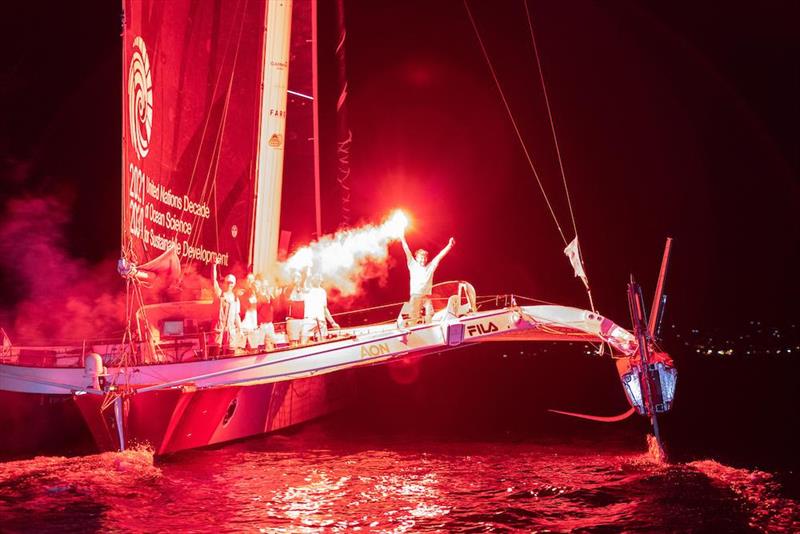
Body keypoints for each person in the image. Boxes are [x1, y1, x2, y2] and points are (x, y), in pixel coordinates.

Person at [400, 233, 455, 323]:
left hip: (426, 297)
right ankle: (413, 330)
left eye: (425, 258)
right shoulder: (412, 264)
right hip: (415, 296)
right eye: (421, 258)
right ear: (416, 258)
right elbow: (406, 249)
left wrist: (449, 246)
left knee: (430, 315)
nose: (423, 260)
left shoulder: (430, 267)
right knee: (414, 318)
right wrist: (402, 237)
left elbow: (440, 256)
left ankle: (429, 330)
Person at [212, 263, 242, 355]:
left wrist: (240, 329)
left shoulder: (236, 298)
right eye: (228, 282)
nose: (229, 284)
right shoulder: (219, 294)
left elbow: (237, 316)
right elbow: (214, 281)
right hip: (219, 329)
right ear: (224, 282)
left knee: (230, 354)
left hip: (231, 330)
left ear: (234, 284)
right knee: (215, 354)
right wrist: (214, 266)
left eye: (231, 282)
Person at [302, 273, 339, 343]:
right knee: (303, 344)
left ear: (321, 280)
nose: (318, 279)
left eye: (319, 278)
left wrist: (332, 322)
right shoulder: (307, 289)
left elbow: (325, 308)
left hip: (321, 321)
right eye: (316, 277)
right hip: (309, 320)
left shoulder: (322, 291)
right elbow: (304, 279)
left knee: (323, 343)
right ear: (312, 279)